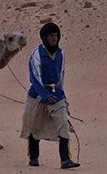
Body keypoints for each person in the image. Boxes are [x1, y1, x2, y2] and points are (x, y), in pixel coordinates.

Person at [20, 22, 79, 169]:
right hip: (37, 95)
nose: (54, 38)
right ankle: (34, 158)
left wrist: (62, 96)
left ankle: (65, 160)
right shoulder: (36, 55)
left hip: (56, 95)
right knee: (34, 127)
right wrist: (45, 95)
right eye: (51, 35)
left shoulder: (61, 54)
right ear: (44, 38)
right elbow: (35, 77)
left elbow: (61, 76)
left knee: (63, 126)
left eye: (56, 35)